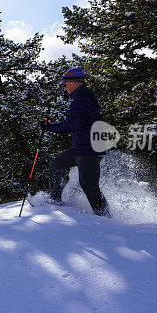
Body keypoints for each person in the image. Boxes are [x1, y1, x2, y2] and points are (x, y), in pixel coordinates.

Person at [41, 67, 110, 217]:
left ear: (74, 82)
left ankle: (105, 217)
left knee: (89, 186)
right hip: (80, 147)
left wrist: (50, 127)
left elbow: (76, 124)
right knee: (57, 165)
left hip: (89, 149)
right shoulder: (80, 97)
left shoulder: (82, 98)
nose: (64, 88)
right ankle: (55, 200)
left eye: (65, 84)